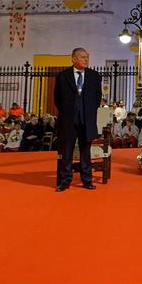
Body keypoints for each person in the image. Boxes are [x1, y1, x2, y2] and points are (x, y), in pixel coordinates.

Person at [53, 47, 102, 191]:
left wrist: (89, 112)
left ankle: (87, 180)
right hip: (68, 120)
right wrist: (67, 112)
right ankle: (65, 181)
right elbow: (57, 98)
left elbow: (97, 97)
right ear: (73, 59)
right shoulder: (63, 76)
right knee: (66, 152)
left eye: (87, 57)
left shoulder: (94, 76)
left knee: (85, 151)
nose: (86, 60)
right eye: (82, 57)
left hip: (87, 120)